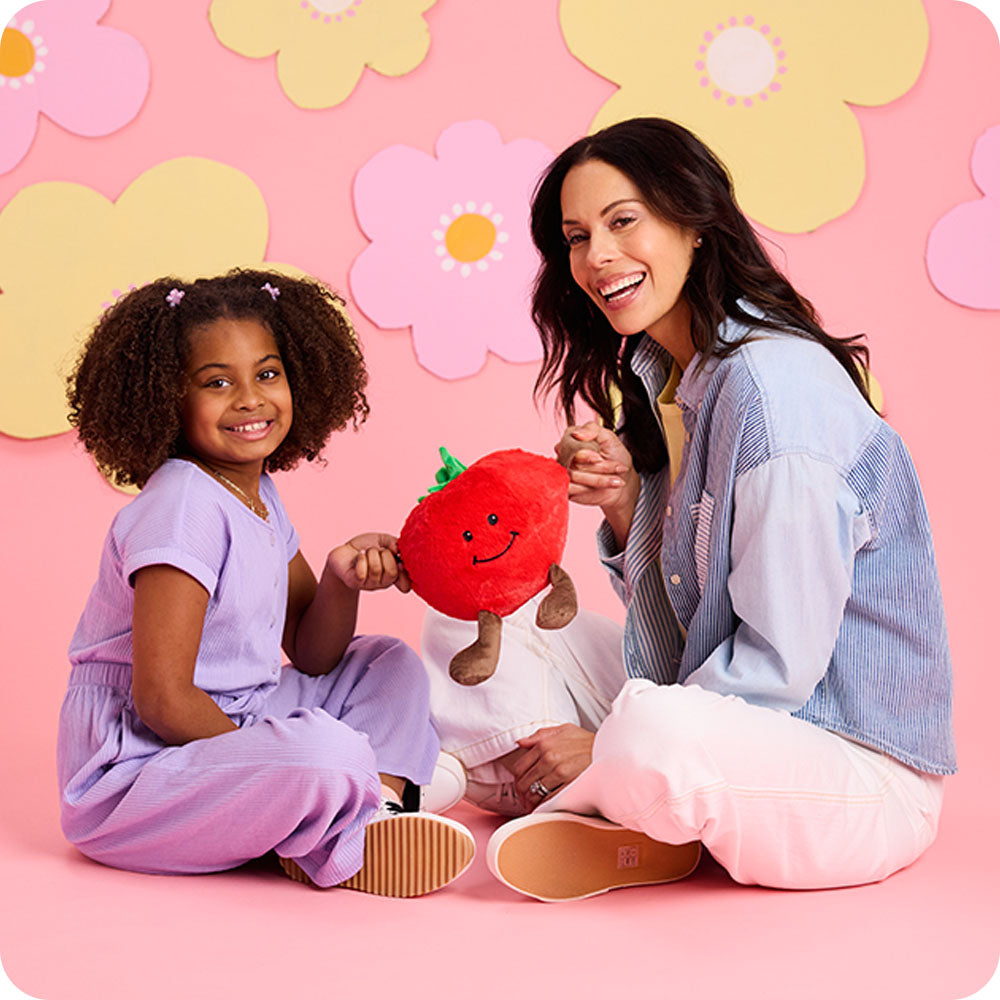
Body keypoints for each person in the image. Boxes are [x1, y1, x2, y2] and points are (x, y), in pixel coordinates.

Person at [485, 118, 956, 902]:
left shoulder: (773, 393)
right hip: (744, 736)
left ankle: (579, 793)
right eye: (575, 236)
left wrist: (604, 745)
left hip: (854, 774)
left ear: (694, 223)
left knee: (650, 732)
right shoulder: (677, 377)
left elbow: (779, 667)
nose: (596, 256)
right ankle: (612, 810)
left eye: (623, 220)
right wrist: (630, 503)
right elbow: (691, 624)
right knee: (496, 629)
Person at [57, 269, 474, 897]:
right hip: (135, 775)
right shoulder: (183, 508)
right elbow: (163, 700)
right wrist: (263, 760)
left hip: (231, 725)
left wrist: (340, 579)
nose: (250, 398)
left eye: (268, 373)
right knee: (320, 754)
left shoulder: (255, 495)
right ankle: (355, 803)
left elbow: (311, 652)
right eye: (217, 382)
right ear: (167, 399)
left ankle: (377, 809)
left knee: (384, 662)